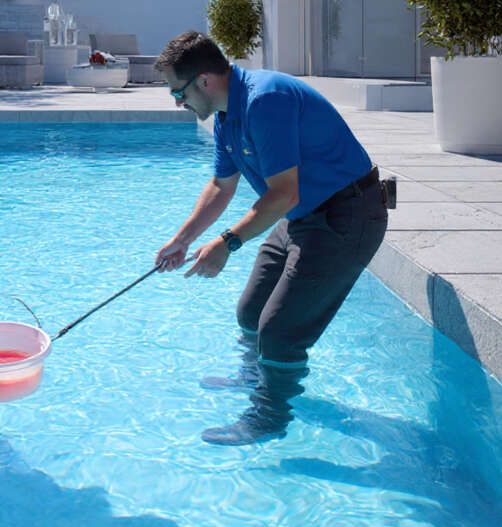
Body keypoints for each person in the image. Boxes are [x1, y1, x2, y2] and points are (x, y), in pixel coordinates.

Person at [153, 31, 389, 446]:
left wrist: (226, 243)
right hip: (303, 215)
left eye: (178, 91)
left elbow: (284, 193)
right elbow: (221, 186)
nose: (177, 102)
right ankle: (255, 375)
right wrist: (182, 239)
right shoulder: (227, 115)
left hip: (346, 214)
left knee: (280, 332)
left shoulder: (265, 100)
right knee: (250, 313)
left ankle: (269, 416)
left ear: (204, 81)